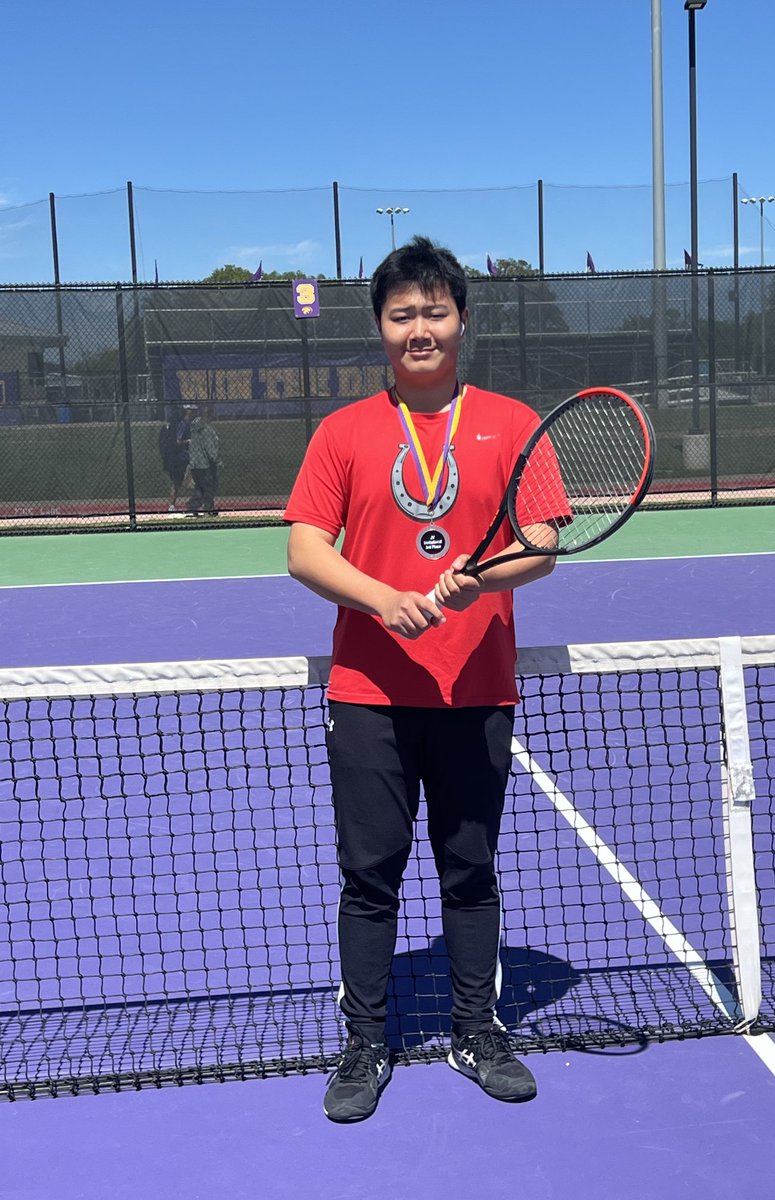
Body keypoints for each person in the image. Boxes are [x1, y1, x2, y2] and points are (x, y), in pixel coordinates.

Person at [283, 235, 558, 1123]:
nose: (420, 328)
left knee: (470, 871)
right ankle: (366, 1042)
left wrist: (481, 577)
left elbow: (542, 543)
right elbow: (303, 550)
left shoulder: (514, 424)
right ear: (380, 330)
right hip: (368, 694)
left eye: (434, 311)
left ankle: (476, 1030)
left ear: (461, 320)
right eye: (402, 314)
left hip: (477, 690)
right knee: (370, 877)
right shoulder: (342, 432)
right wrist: (382, 601)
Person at [186, 404, 221, 516]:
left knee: (200, 486)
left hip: (195, 463)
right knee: (209, 486)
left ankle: (193, 505)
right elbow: (210, 448)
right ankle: (208, 509)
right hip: (204, 464)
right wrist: (215, 460)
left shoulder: (194, 429)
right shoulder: (206, 430)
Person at [158, 404, 191, 512]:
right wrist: (190, 441)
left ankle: (194, 502)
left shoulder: (181, 424)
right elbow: (178, 441)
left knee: (179, 482)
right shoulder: (181, 424)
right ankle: (172, 505)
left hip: (182, 458)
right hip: (180, 459)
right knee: (177, 482)